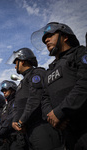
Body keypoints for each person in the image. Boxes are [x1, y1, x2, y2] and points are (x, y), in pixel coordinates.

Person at [31, 22, 87, 150]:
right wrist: (51, 117)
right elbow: (44, 97)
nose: (46, 40)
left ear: (65, 36)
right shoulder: (50, 69)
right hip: (65, 133)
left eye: (50, 35)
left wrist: (60, 112)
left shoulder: (80, 53)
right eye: (45, 38)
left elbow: (84, 84)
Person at [7, 48, 63, 150]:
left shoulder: (36, 73)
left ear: (22, 61)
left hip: (42, 127)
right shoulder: (22, 82)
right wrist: (15, 122)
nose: (15, 66)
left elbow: (35, 99)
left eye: (16, 63)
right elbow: (18, 105)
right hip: (29, 130)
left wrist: (21, 121)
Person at [0, 80, 27, 150]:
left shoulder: (16, 101)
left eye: (6, 90)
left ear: (12, 90)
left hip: (17, 138)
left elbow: (10, 119)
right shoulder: (6, 106)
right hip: (8, 140)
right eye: (3, 91)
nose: (4, 92)